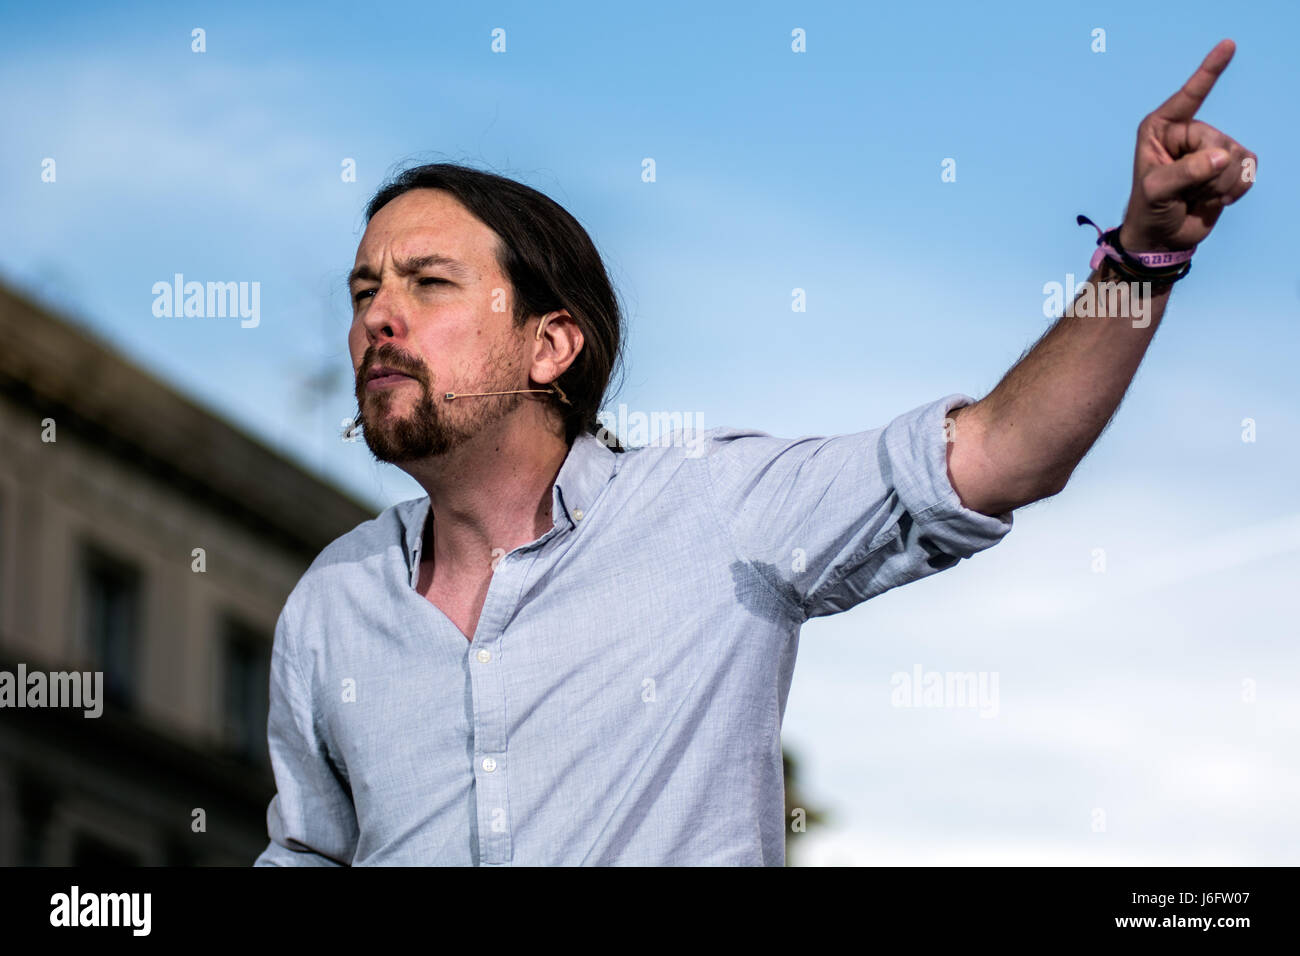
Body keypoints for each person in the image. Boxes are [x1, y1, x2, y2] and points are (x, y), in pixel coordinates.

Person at [254, 39, 1255, 865]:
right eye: (362, 292)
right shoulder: (332, 604)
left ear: (550, 343)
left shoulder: (715, 509)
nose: (379, 316)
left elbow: (1006, 451)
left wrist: (1144, 257)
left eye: (427, 283)